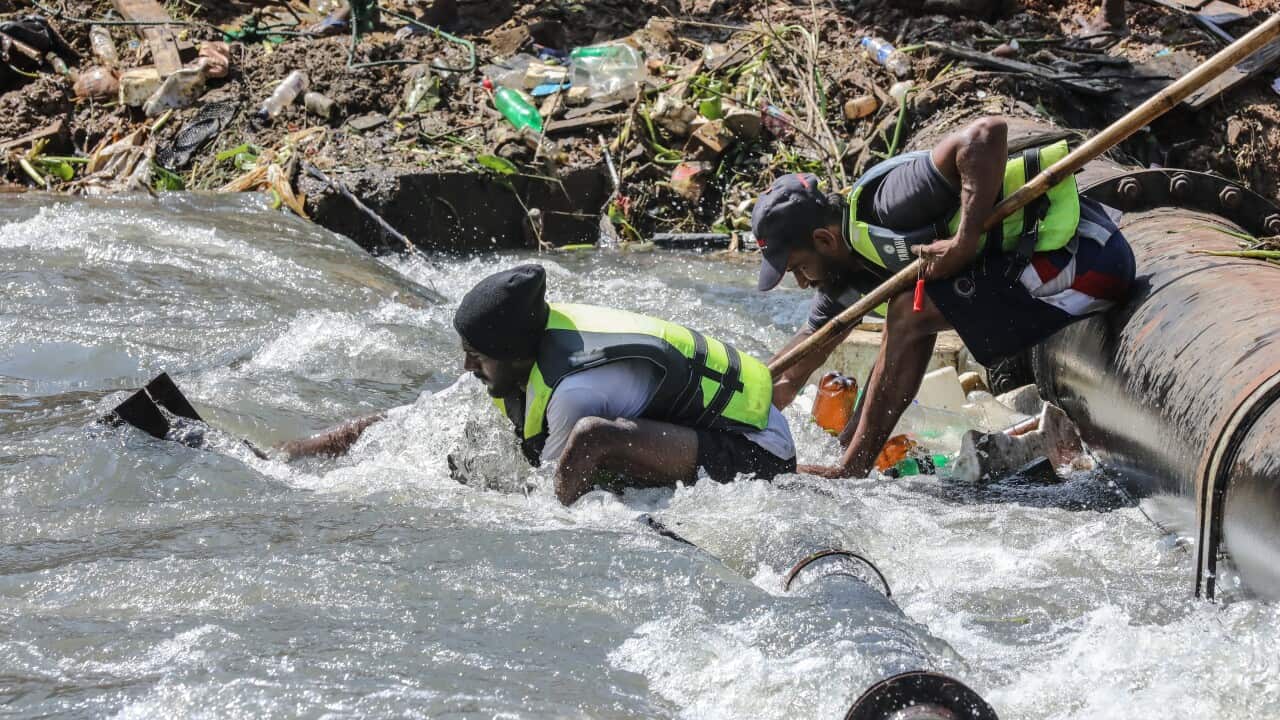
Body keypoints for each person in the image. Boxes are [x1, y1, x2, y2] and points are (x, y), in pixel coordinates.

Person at [753, 116, 1135, 478]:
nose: (803, 283)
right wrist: (736, 413)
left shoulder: (890, 201)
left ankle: (851, 469)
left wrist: (964, 240)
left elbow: (986, 133)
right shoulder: (844, 275)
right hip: (1047, 278)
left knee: (907, 313)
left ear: (824, 240)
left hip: (1086, 261)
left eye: (798, 269)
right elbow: (793, 368)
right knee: (902, 319)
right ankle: (850, 452)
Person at [450, 264, 795, 504]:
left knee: (589, 440)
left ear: (513, 352)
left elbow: (553, 492)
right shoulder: (538, 334)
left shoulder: (572, 393)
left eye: (476, 355)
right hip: (719, 430)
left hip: (758, 453)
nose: (468, 366)